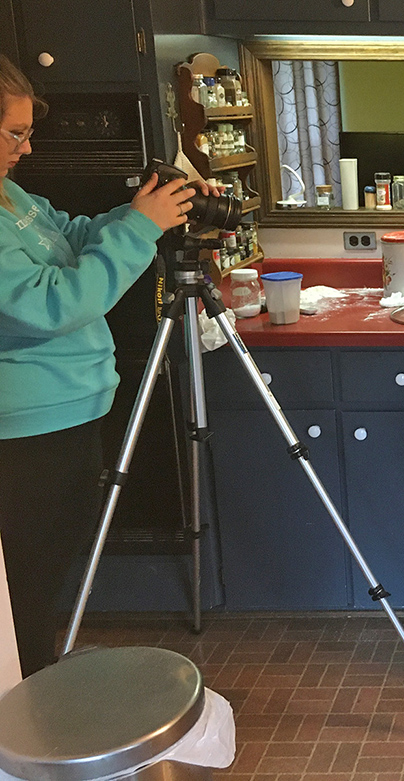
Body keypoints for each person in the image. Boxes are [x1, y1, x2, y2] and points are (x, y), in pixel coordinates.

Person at [0, 55, 212, 677]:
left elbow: (73, 235)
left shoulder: (10, 195)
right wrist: (139, 232)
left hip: (66, 409)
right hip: (24, 430)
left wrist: (144, 212)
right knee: (26, 588)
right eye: (14, 133)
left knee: (50, 571)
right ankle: (28, 711)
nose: (28, 147)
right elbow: (51, 303)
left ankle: (38, 679)